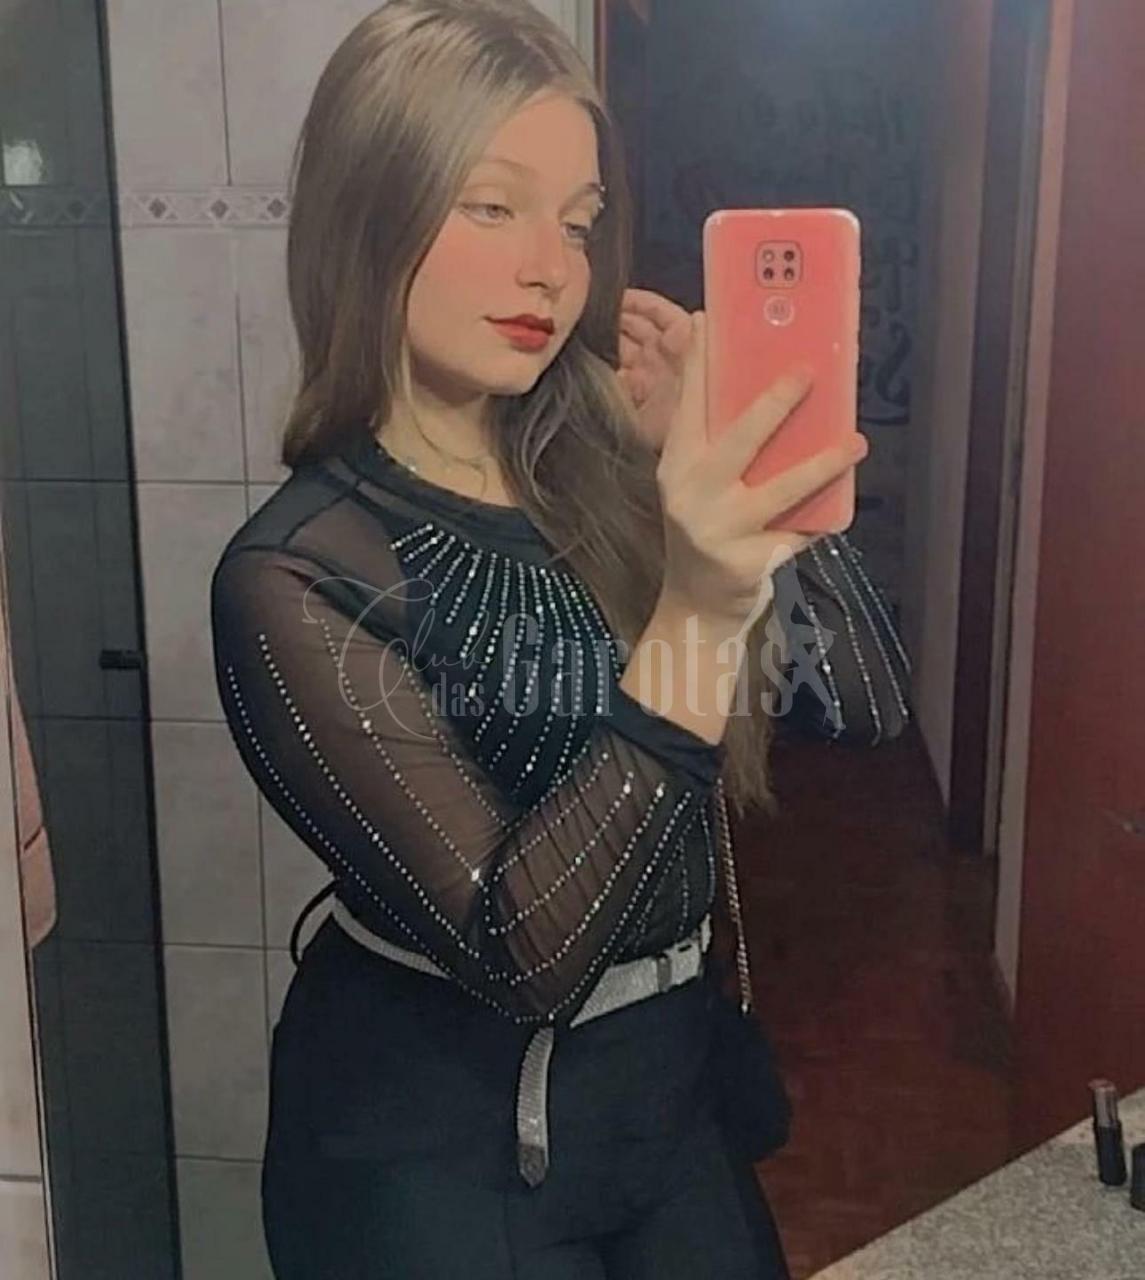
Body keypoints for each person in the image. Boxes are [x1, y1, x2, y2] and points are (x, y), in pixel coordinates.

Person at [210, 3, 911, 1276]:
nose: (551, 267)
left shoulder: (608, 479)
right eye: (493, 207)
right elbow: (522, 953)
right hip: (432, 1153)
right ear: (370, 215)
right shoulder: (300, 571)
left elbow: (862, 703)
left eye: (578, 223)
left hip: (665, 1101)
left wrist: (744, 460)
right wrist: (692, 609)